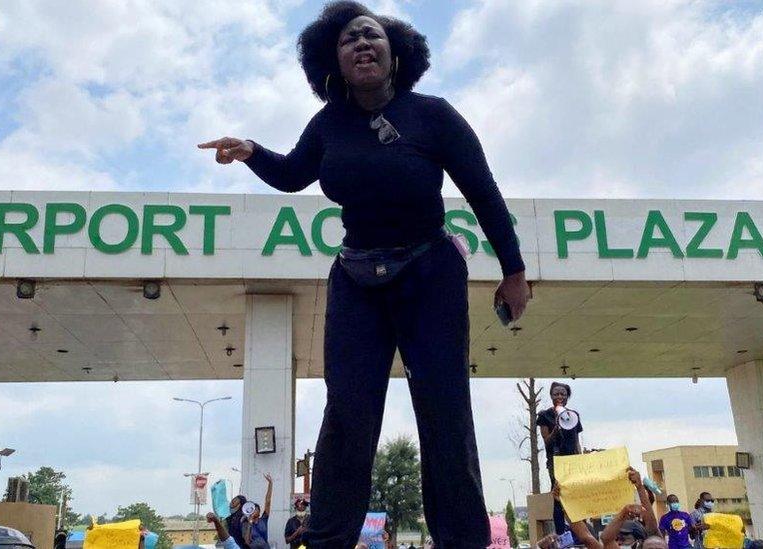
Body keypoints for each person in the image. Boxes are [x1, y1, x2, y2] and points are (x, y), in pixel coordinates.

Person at [198, 2, 530, 548]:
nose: (361, 44)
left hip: (430, 272)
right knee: (348, 413)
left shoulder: (434, 115)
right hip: (356, 277)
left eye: (371, 35)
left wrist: (513, 271)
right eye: (349, 40)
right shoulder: (328, 123)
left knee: (445, 411)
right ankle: (328, 538)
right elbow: (291, 175)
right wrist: (252, 151)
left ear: (396, 52)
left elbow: (484, 193)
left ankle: (463, 540)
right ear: (335, 61)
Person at [537, 382, 583, 535]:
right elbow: (547, 441)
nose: (559, 396)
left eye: (563, 394)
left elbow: (576, 441)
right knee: (557, 496)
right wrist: (556, 428)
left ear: (567, 397)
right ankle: (561, 533)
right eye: (556, 393)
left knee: (576, 494)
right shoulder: (545, 415)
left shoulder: (573, 415)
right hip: (556, 461)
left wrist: (581, 459)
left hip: (572, 461)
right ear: (551, 396)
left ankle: (579, 532)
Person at [240, 474, 274, 549]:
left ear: (259, 512)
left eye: (256, 509)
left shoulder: (263, 519)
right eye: (253, 509)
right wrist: (250, 523)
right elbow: (247, 542)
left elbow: (268, 501)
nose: (254, 510)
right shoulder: (245, 524)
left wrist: (270, 484)